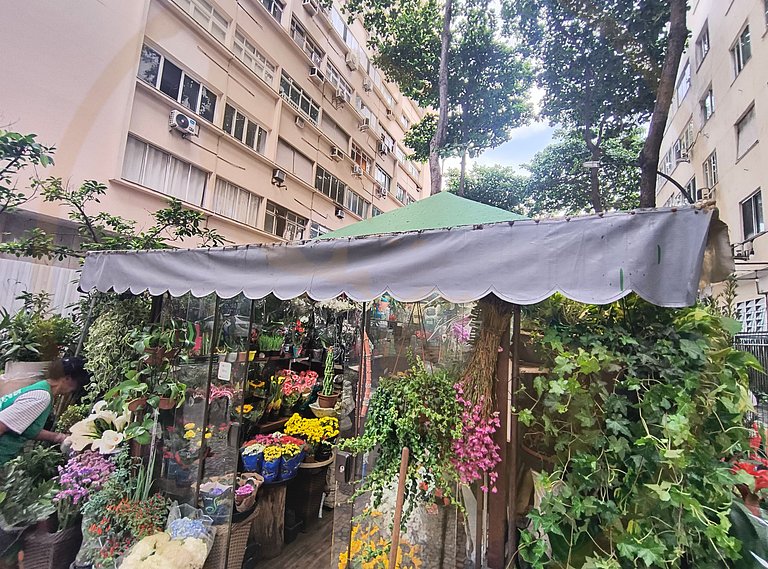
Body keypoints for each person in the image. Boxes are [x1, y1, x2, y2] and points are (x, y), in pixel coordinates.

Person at [0, 357, 89, 465]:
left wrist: (59, 437)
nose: (75, 389)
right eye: (78, 384)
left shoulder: (42, 388)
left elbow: (24, 427)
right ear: (67, 378)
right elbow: (2, 424)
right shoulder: (42, 396)